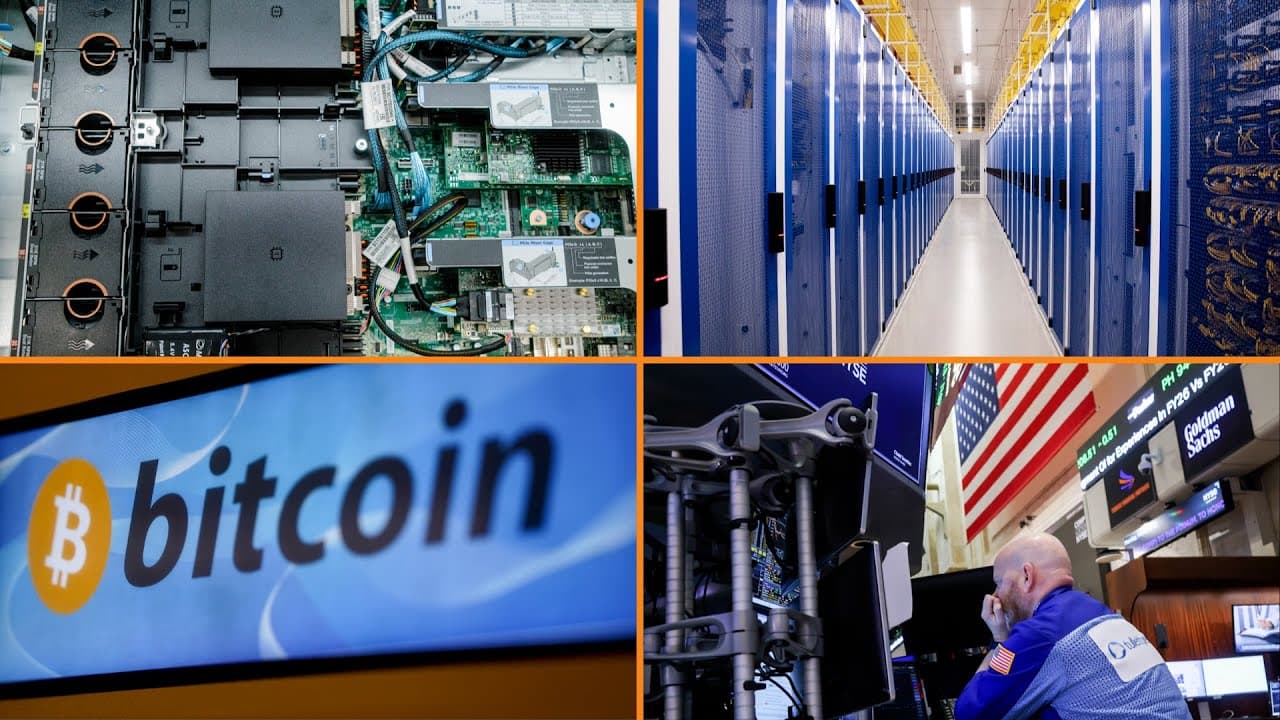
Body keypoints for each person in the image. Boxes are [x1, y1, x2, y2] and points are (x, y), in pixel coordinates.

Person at [954, 533, 1190, 720]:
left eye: (999, 583)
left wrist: (998, 639)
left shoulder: (1041, 633)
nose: (995, 595)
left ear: (1027, 575)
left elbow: (970, 713)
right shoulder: (1105, 615)